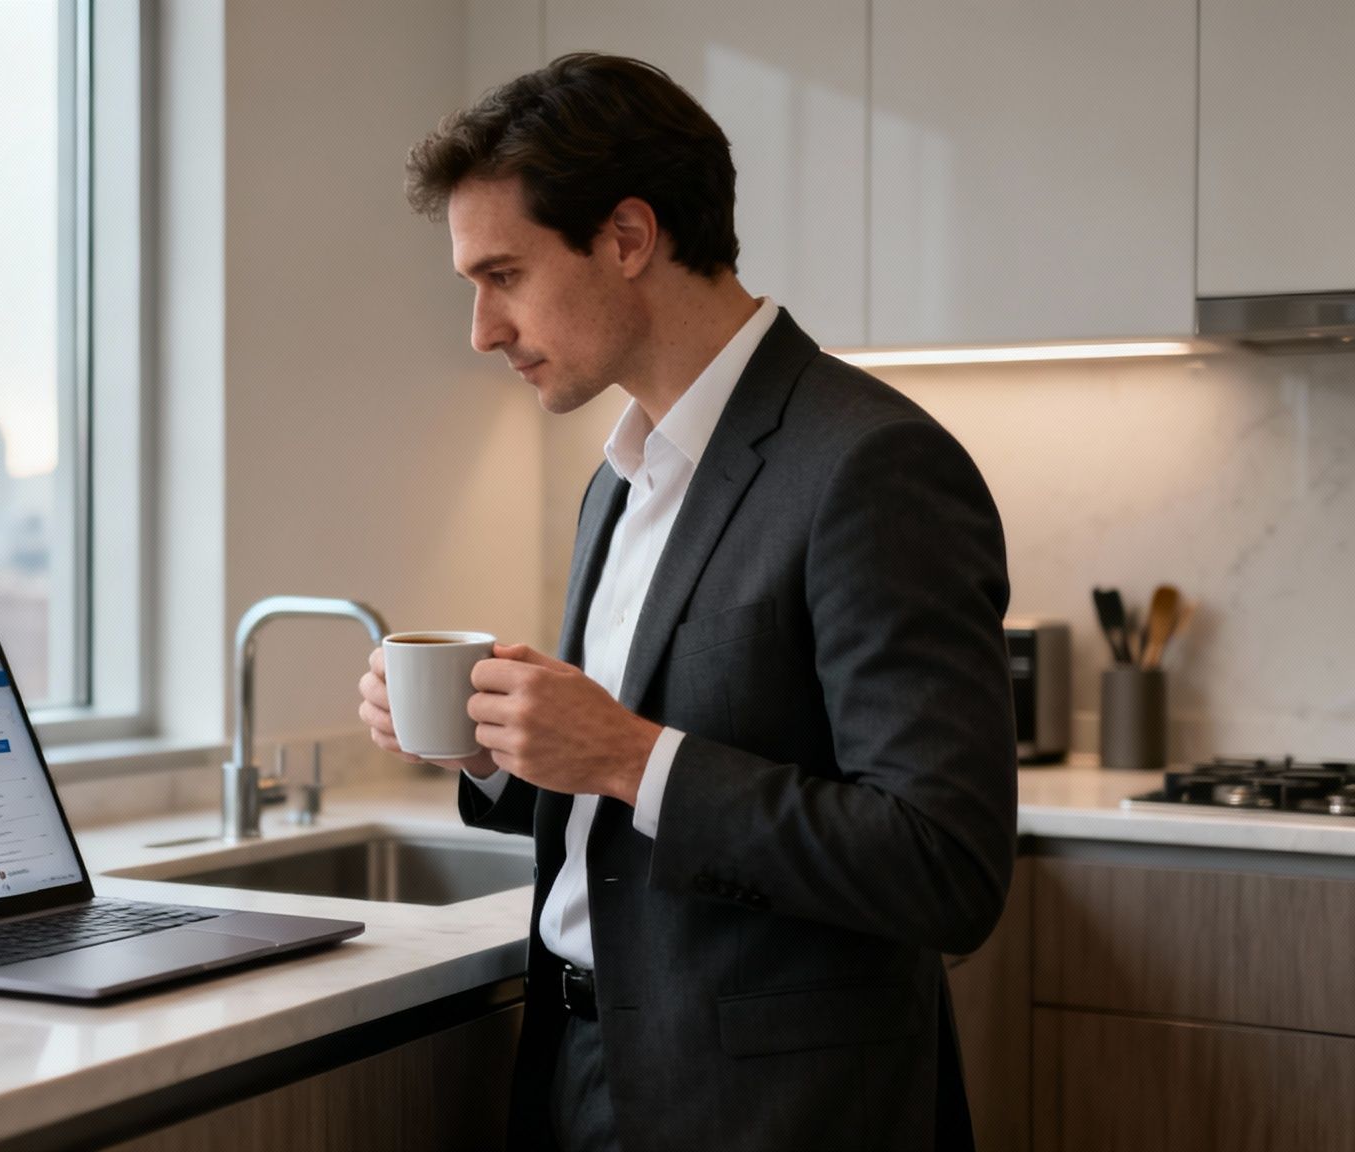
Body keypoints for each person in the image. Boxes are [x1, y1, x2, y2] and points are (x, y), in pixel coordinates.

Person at [356, 53, 1017, 1151]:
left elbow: (941, 867)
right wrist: (491, 749)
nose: (479, 329)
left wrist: (624, 753)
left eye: (503, 274)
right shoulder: (617, 478)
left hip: (771, 1111)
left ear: (625, 237)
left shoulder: (870, 465)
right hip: (580, 1063)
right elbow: (619, 815)